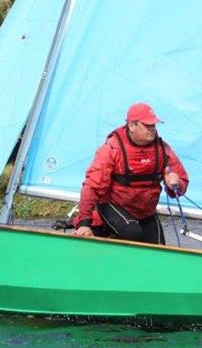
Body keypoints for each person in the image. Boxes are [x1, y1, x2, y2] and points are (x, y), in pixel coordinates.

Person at [72, 102, 189, 244]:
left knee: (159, 249)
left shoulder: (163, 149)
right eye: (147, 125)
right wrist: (84, 223)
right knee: (133, 232)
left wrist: (175, 185)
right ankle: (101, 230)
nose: (152, 129)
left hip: (145, 212)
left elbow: (181, 183)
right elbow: (92, 186)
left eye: (153, 125)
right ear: (132, 126)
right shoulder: (111, 149)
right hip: (112, 206)